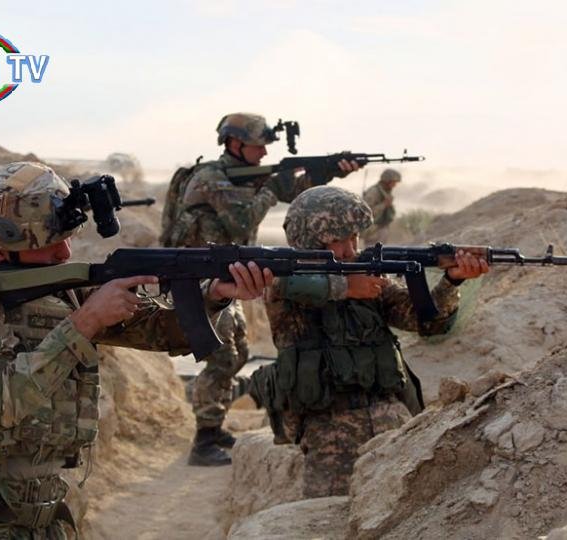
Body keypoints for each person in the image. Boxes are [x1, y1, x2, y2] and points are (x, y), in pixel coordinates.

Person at [0, 162, 272, 539]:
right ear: (1, 247)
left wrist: (213, 296)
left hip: (41, 508)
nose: (65, 253)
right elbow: (1, 402)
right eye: (50, 243)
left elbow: (157, 332)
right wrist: (86, 321)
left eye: (65, 238)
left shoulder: (58, 285)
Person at [161, 113, 361, 466]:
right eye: (258, 146)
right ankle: (203, 441)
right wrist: (271, 189)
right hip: (199, 278)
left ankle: (213, 426)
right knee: (222, 355)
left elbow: (294, 193)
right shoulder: (211, 178)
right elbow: (241, 221)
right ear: (235, 144)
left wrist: (327, 172)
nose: (265, 153)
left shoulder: (245, 176)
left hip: (225, 276)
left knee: (238, 352)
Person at [266, 185, 488, 498]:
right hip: (330, 436)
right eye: (337, 240)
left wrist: (452, 280)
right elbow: (281, 283)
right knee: (333, 515)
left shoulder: (367, 274)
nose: (350, 249)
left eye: (354, 237)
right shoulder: (283, 280)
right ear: (308, 241)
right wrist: (346, 287)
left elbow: (425, 322)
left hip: (394, 422)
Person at [361, 168, 401, 245]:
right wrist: (384, 205)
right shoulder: (373, 192)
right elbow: (366, 212)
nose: (395, 185)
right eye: (393, 182)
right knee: (372, 251)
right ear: (387, 181)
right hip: (373, 232)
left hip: (380, 229)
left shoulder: (385, 192)